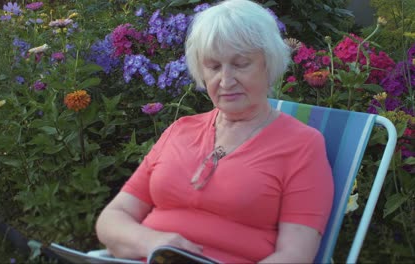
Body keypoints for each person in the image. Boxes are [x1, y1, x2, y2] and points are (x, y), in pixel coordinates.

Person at [95, 0, 334, 263]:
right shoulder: (180, 130)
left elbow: (295, 255)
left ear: (269, 64)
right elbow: (112, 218)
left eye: (241, 64)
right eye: (214, 66)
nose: (226, 80)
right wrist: (153, 242)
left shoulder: (301, 145)